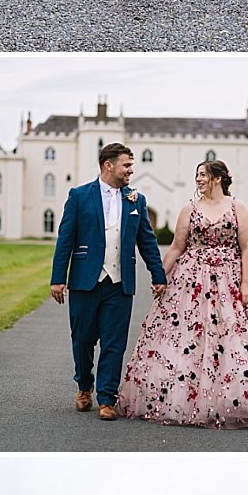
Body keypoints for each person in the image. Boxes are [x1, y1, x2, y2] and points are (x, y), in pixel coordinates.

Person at [117, 159, 248, 427]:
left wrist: (244, 284)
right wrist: (159, 275)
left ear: (218, 178)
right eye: (197, 175)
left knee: (234, 338)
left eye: (203, 175)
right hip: (191, 281)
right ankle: (183, 399)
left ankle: (238, 399)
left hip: (230, 279)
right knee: (187, 337)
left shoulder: (237, 207)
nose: (198, 180)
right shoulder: (189, 208)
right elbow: (176, 247)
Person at [50, 141, 167, 418]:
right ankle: (84, 385)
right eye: (127, 165)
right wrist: (58, 278)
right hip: (84, 281)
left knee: (115, 343)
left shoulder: (136, 200)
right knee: (83, 340)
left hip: (119, 283)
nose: (131, 170)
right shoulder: (79, 196)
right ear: (108, 165)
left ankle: (106, 399)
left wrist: (158, 275)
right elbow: (65, 239)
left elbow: (147, 241)